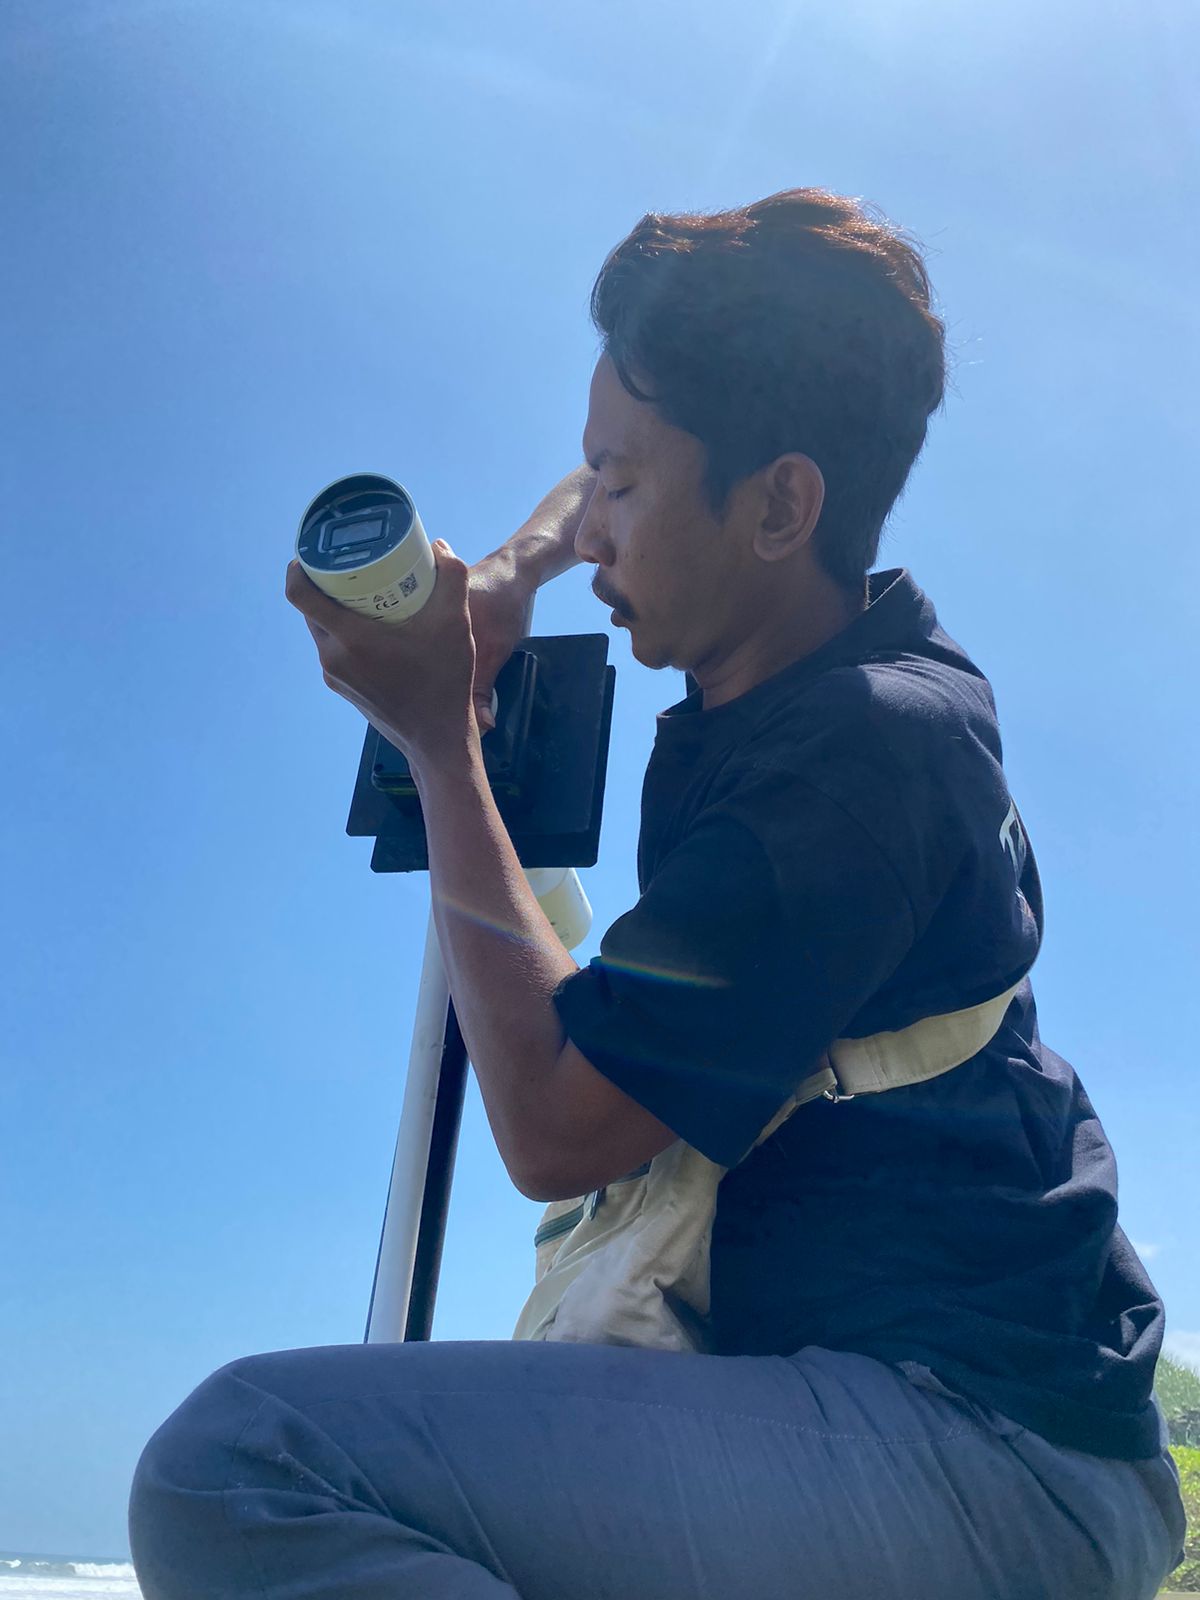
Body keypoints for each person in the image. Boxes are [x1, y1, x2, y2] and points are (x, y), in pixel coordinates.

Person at [129, 188, 1186, 1599]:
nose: (597, 530)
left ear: (781, 504)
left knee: (241, 1463)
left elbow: (556, 1126)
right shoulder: (855, 662)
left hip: (989, 1449)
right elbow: (602, 490)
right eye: (592, 478)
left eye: (623, 488)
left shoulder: (851, 761)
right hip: (952, 1410)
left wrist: (440, 741)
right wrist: (514, 574)